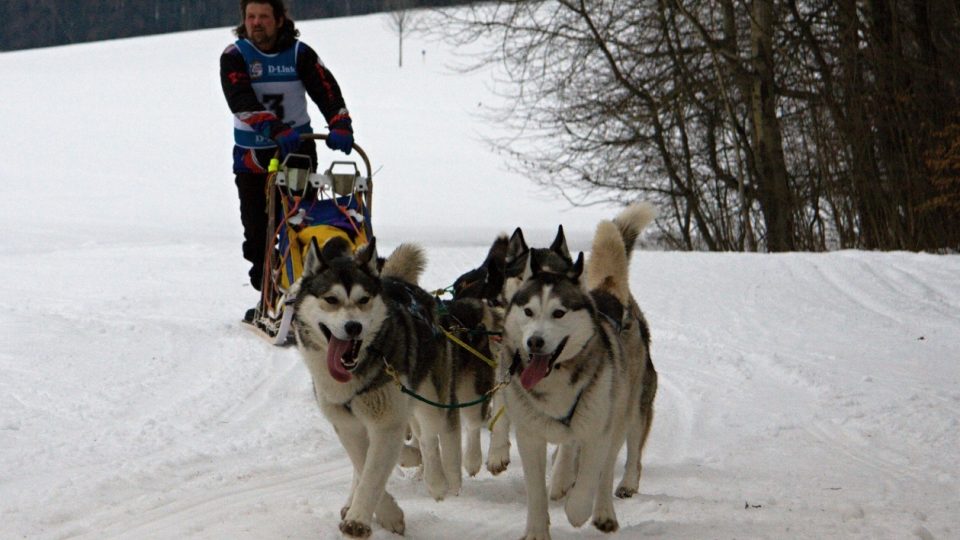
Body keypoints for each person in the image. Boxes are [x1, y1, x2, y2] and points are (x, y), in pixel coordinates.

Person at [220, 0, 354, 321]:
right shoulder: (235, 56)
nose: (256, 23)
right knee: (258, 235)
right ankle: (269, 293)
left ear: (280, 20)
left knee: (300, 225)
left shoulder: (299, 54)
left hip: (297, 151)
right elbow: (239, 100)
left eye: (264, 17)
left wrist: (339, 122)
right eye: (251, 17)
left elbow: (326, 89)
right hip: (254, 157)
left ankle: (305, 294)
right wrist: (272, 127)